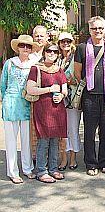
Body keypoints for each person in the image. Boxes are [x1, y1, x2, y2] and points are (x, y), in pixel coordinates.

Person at [74, 16, 105, 176]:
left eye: (101, 28)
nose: (98, 31)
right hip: (89, 97)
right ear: (90, 30)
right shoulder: (81, 48)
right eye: (95, 28)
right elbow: (77, 73)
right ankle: (91, 163)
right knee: (89, 131)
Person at [26, 43, 68, 183]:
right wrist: (49, 90)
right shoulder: (36, 69)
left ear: (57, 54)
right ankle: (41, 171)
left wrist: (61, 96)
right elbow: (30, 89)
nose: (52, 53)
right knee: (43, 141)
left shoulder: (59, 70)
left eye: (55, 51)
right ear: (44, 52)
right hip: (43, 110)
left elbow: (64, 89)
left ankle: (53, 168)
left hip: (57, 110)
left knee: (55, 140)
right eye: (49, 50)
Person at [1, 35, 39, 184]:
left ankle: (28, 168)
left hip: (27, 105)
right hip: (10, 104)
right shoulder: (10, 63)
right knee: (11, 141)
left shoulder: (34, 64)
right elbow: (3, 85)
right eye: (23, 45)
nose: (25, 48)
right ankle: (12, 171)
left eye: (28, 46)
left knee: (26, 140)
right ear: (17, 48)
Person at [57, 32, 81, 171]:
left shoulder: (76, 57)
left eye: (67, 41)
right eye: (62, 41)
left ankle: (73, 158)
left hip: (73, 99)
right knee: (62, 130)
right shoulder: (57, 58)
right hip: (59, 99)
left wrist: (67, 81)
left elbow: (79, 76)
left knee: (73, 129)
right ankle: (64, 158)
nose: (65, 44)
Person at [30, 25, 50, 161]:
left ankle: (50, 158)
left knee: (49, 128)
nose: (39, 38)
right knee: (33, 129)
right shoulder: (28, 55)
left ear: (47, 37)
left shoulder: (51, 53)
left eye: (41, 35)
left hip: (48, 98)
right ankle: (34, 157)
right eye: (36, 35)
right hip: (33, 97)